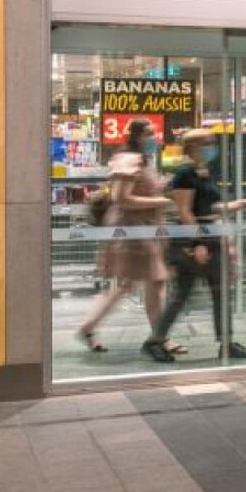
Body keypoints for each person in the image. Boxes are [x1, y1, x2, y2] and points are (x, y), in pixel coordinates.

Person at [146, 129, 246, 363]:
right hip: (195, 240)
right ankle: (156, 341)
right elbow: (185, 211)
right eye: (206, 143)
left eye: (211, 143)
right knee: (190, 293)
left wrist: (243, 203)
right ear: (193, 147)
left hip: (209, 237)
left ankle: (223, 342)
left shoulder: (205, 173)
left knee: (212, 292)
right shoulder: (185, 174)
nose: (211, 148)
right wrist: (197, 242)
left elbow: (212, 208)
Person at [78, 119, 174, 360]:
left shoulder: (142, 161)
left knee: (139, 283)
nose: (153, 138)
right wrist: (160, 201)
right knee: (143, 282)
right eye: (149, 134)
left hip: (145, 230)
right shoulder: (128, 160)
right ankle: (158, 338)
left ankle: (90, 328)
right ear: (137, 136)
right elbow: (122, 198)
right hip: (132, 231)